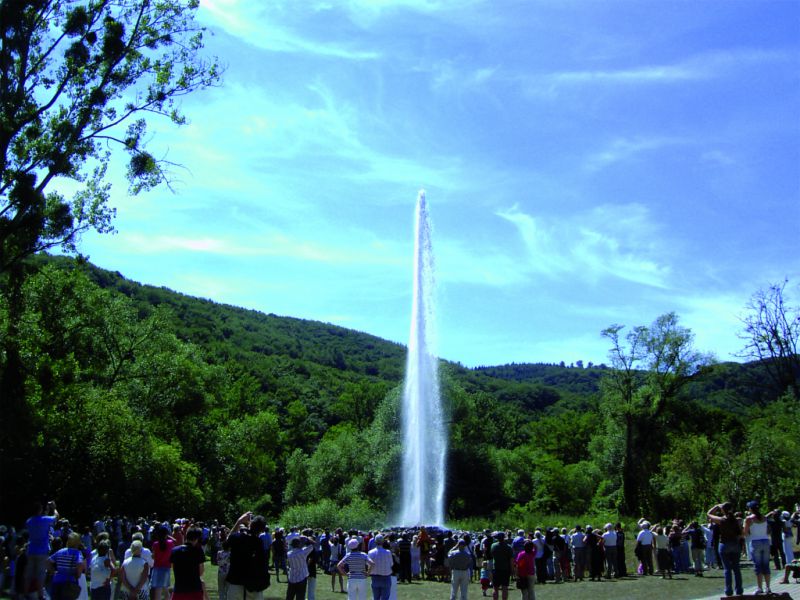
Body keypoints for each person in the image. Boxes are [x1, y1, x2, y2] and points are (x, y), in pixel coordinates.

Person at [225, 512, 270, 600]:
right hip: (253, 585)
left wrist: (239, 521)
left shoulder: (237, 538)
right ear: (262, 530)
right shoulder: (258, 543)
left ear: (251, 524)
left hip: (236, 582)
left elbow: (227, 542)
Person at [708, 502, 743, 597]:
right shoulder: (736, 520)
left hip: (724, 544)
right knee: (736, 568)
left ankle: (728, 590)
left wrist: (716, 506)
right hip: (735, 544)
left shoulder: (721, 520)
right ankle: (739, 589)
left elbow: (709, 514)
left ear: (723, 510)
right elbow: (740, 533)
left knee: (727, 569)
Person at [25, 501, 59, 600]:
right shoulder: (45, 520)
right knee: (40, 574)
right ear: (40, 510)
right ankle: (40, 595)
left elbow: (41, 520)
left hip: (31, 551)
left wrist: (46, 511)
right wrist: (54, 508)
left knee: (29, 574)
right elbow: (56, 517)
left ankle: (26, 593)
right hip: (42, 551)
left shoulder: (29, 521)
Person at [743, 500, 772, 595]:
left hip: (755, 541)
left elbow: (745, 532)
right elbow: (767, 530)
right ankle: (768, 587)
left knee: (758, 566)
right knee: (766, 565)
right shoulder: (764, 517)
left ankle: (760, 587)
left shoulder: (749, 519)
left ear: (750, 509)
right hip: (765, 540)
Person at [170, 528, 206, 600]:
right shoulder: (198, 551)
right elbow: (201, 572)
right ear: (197, 538)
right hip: (194, 589)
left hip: (179, 589)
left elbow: (172, 567)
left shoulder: (175, 550)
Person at [48, 533, 85, 600]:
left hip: (56, 581)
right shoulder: (77, 553)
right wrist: (78, 575)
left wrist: (53, 571)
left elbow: (48, 561)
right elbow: (80, 564)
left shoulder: (60, 551)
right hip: (69, 583)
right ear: (78, 543)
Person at [285, 535, 314, 600]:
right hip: (302, 577)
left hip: (292, 577)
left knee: (289, 596)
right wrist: (307, 538)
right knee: (300, 597)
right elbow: (312, 545)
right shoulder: (303, 552)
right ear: (299, 544)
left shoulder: (289, 554)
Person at [150, 525, 175, 600]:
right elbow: (174, 541)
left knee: (158, 589)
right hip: (166, 567)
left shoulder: (155, 544)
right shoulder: (170, 543)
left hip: (157, 567)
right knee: (165, 589)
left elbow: (153, 556)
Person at [367, 535, 393, 600]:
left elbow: (368, 565)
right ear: (383, 542)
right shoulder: (388, 552)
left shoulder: (370, 552)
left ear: (375, 542)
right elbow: (391, 564)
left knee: (376, 598)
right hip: (386, 578)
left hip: (375, 578)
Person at [490, 532, 513, 600]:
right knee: (505, 588)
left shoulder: (493, 546)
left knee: (495, 588)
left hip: (496, 569)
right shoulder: (508, 547)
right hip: (505, 569)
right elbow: (511, 560)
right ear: (504, 538)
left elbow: (491, 555)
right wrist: (512, 570)